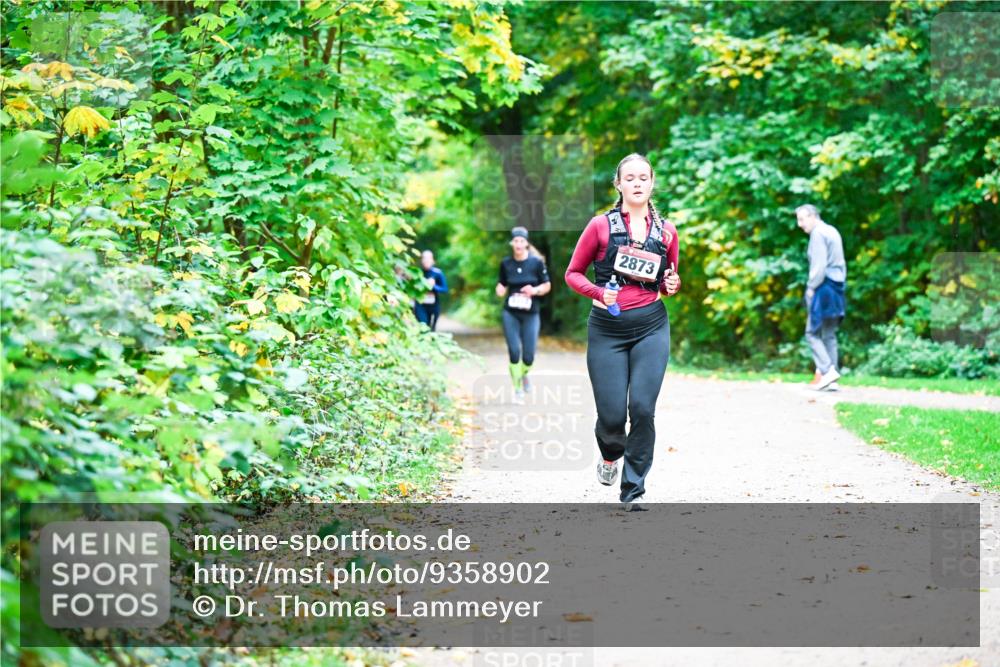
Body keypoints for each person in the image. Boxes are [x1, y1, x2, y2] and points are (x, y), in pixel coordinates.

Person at [565, 153, 681, 512]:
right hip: (607, 330)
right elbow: (573, 273)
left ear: (652, 183)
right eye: (629, 178)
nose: (636, 183)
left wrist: (672, 283)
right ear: (618, 184)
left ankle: (633, 490)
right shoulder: (600, 226)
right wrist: (600, 293)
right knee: (613, 417)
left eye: (643, 178)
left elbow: (668, 278)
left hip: (651, 326)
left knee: (643, 409)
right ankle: (611, 454)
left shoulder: (666, 231)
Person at [496, 227, 551, 403]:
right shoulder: (506, 263)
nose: (518, 244)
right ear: (512, 244)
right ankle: (517, 388)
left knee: (528, 356)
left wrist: (534, 290)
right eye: (515, 241)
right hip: (510, 313)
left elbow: (547, 286)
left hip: (531, 314)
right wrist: (500, 288)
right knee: (514, 351)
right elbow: (502, 283)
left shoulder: (536, 263)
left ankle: (524, 373)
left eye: (521, 241)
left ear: (526, 243)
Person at [795, 204, 846, 391]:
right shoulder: (832, 231)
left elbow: (819, 265)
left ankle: (827, 371)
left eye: (802, 219)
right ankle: (831, 380)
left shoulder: (818, 233)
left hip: (823, 287)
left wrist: (811, 288)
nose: (800, 224)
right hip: (837, 287)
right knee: (829, 334)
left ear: (812, 216)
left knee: (811, 332)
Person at [414, 250, 447, 331]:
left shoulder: (438, 273)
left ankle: (431, 341)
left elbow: (444, 289)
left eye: (428, 259)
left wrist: (433, 286)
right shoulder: (417, 272)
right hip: (420, 304)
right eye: (424, 258)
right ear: (421, 260)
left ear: (433, 261)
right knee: (423, 325)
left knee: (432, 329)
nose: (426, 261)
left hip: (434, 305)